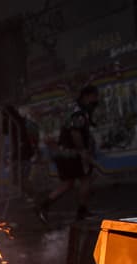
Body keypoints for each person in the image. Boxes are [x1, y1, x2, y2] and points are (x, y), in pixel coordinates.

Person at [34, 85, 101, 224]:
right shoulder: (78, 114)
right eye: (94, 96)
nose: (96, 99)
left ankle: (43, 206)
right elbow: (75, 133)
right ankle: (81, 212)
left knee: (68, 183)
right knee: (85, 180)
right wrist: (83, 151)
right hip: (72, 154)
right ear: (86, 96)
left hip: (64, 153)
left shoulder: (77, 111)